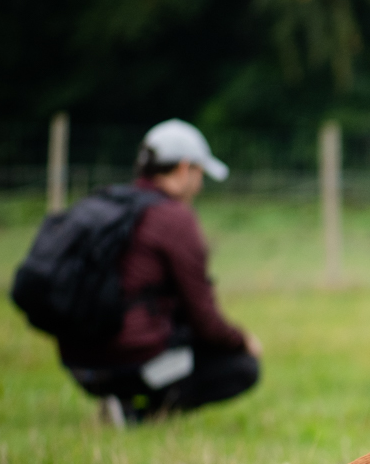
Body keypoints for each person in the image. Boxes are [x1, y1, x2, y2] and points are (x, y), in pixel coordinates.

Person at [63, 119, 261, 426]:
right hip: (131, 361)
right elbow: (204, 318)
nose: (200, 184)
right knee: (242, 366)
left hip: (80, 363)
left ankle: (120, 401)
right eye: (199, 173)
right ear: (183, 169)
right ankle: (135, 416)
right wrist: (241, 340)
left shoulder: (109, 206)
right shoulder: (173, 218)